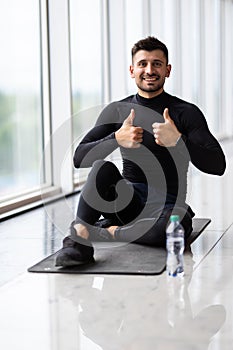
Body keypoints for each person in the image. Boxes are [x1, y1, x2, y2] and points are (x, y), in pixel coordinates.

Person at [55, 36, 226, 267]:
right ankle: (78, 242)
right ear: (132, 69)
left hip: (166, 207)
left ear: (168, 70)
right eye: (143, 63)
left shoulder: (185, 112)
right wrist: (116, 138)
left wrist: (178, 140)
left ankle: (108, 232)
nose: (149, 70)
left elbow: (218, 165)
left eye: (157, 64)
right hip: (127, 202)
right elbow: (80, 158)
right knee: (101, 168)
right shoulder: (117, 110)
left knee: (172, 228)